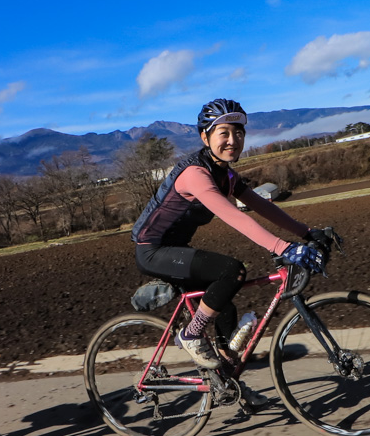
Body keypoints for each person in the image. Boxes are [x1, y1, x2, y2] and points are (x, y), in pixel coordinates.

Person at [132, 99, 331, 372]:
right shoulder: (195, 173)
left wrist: (307, 231)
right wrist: (283, 247)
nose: (232, 140)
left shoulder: (225, 175)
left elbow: (262, 206)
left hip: (176, 248)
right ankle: (190, 335)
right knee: (232, 271)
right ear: (205, 137)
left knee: (224, 307)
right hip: (152, 250)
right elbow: (234, 216)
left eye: (238, 133)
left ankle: (227, 377)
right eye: (223, 133)